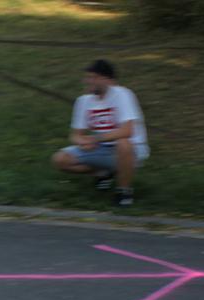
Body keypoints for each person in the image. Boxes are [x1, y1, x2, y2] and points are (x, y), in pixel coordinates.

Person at [51, 59, 149, 207]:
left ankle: (124, 192)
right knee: (60, 159)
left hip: (132, 149)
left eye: (92, 77)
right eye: (87, 77)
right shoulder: (83, 101)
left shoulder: (123, 94)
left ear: (106, 79)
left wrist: (95, 139)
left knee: (123, 143)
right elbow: (75, 135)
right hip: (102, 148)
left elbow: (128, 131)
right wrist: (81, 141)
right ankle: (105, 172)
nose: (87, 81)